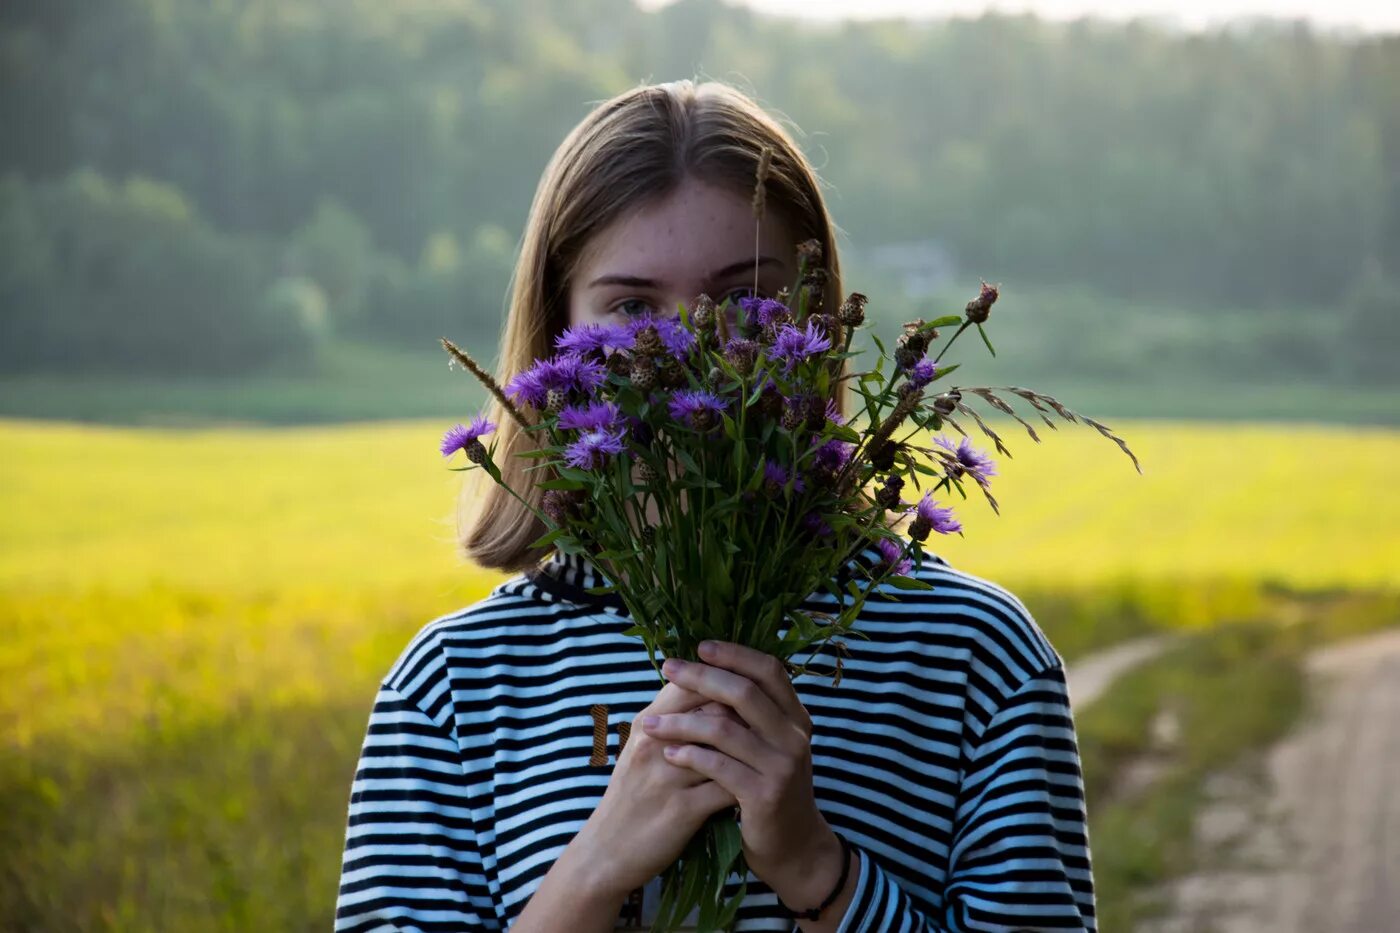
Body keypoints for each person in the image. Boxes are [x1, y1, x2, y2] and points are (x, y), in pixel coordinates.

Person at [334, 79, 1097, 932]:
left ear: (821, 320)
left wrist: (820, 869)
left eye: (743, 301)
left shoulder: (976, 659)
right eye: (631, 307)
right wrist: (592, 870)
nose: (691, 349)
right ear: (557, 337)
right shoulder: (452, 689)